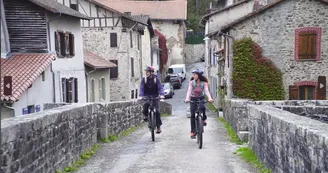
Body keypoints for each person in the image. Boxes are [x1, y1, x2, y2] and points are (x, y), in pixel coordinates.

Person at [185, 69, 214, 138]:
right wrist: (187, 98)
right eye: (193, 74)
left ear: (199, 76)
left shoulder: (204, 83)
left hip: (201, 98)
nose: (193, 76)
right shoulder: (191, 82)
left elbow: (206, 91)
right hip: (193, 98)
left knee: (203, 107)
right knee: (192, 115)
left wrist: (210, 98)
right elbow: (189, 91)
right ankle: (192, 131)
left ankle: (203, 119)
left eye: (195, 74)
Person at [139, 66, 165, 134]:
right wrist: (141, 96)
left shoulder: (156, 79)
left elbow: (160, 87)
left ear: (151, 72)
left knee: (157, 111)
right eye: (146, 72)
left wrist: (161, 95)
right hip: (147, 95)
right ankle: (146, 115)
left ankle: (158, 127)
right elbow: (141, 88)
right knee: (145, 105)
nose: (146, 73)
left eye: (148, 72)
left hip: (155, 96)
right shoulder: (144, 79)